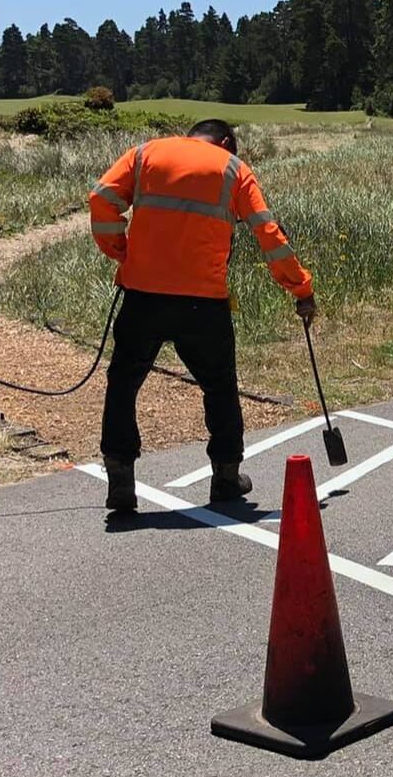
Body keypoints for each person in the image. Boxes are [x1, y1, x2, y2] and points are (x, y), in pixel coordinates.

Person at [88, 119, 317, 514]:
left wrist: (120, 250)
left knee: (123, 384)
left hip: (143, 296)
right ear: (227, 143)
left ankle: (121, 479)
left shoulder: (146, 154)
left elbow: (101, 198)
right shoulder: (233, 169)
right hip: (202, 302)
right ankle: (226, 477)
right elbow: (268, 233)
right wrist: (301, 289)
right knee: (220, 388)